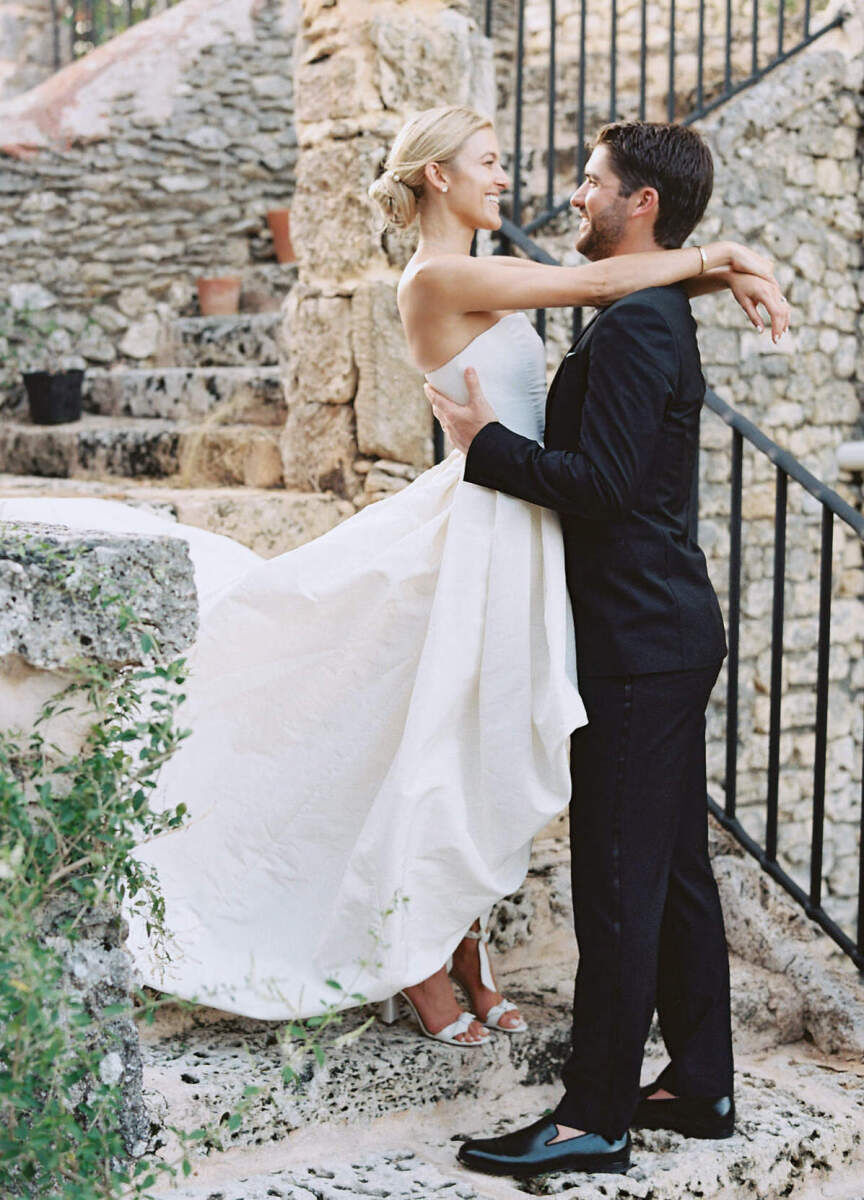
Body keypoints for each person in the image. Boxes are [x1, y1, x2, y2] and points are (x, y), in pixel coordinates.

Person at [0, 108, 787, 1056]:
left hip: (523, 524)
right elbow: (610, 279)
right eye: (490, 165)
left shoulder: (495, 270)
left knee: (471, 742)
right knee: (435, 742)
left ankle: (458, 941)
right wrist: (727, 254)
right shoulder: (440, 274)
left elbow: (621, 291)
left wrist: (713, 270)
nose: (512, 181)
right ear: (438, 180)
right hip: (486, 520)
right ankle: (417, 951)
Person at [424, 118, 768, 1174]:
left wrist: (488, 450)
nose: (573, 195)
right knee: (668, 868)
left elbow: (605, 485)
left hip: (637, 636)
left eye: (591, 181)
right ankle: (701, 1086)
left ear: (641, 204)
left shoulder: (636, 325)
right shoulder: (642, 308)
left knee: (618, 877)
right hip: (657, 628)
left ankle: (594, 1115)